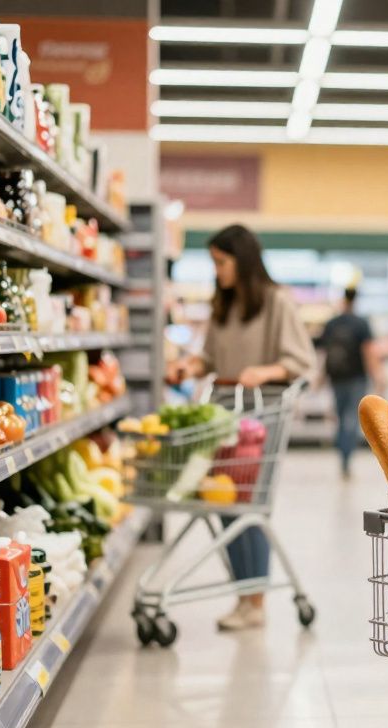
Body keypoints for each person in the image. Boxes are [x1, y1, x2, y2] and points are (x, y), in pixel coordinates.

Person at [166, 224, 315, 632]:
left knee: (249, 507)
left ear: (243, 260)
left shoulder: (276, 301)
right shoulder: (224, 305)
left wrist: (264, 371)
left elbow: (301, 361)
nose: (217, 271)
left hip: (261, 420)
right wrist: (187, 366)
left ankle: (255, 602)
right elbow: (209, 358)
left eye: (222, 262)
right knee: (227, 507)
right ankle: (245, 596)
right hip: (223, 416)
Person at [318, 287, 383, 479]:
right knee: (352, 420)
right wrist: (378, 376)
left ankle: (342, 453)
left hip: (337, 377)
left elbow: (324, 354)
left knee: (339, 417)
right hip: (357, 378)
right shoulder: (362, 323)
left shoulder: (331, 324)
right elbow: (368, 353)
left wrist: (320, 378)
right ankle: (347, 456)